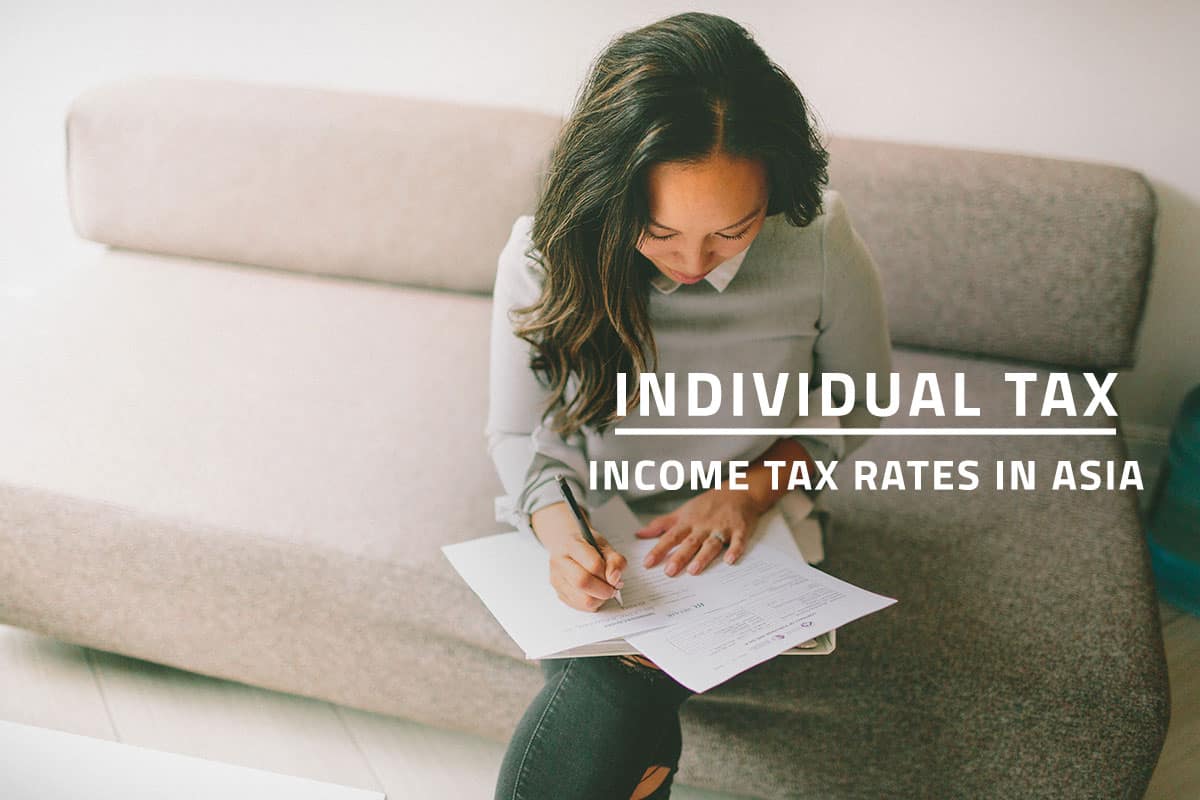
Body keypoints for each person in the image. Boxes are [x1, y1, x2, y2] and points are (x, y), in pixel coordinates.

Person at [486, 11, 892, 799]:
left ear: (774, 183)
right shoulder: (544, 252)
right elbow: (516, 433)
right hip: (603, 514)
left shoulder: (817, 238)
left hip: (760, 528)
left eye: (731, 233)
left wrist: (746, 493)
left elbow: (859, 399)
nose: (694, 265)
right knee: (619, 679)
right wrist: (562, 535)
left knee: (614, 684)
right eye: (659, 232)